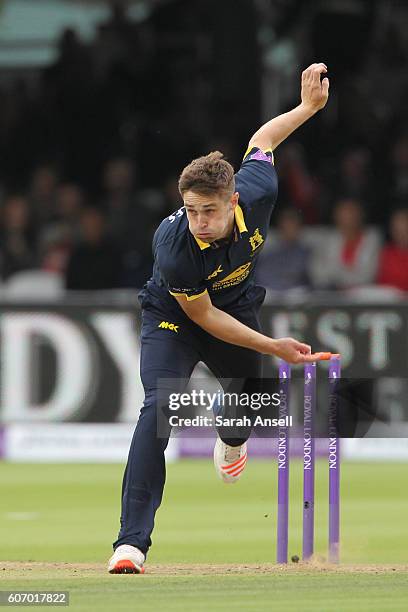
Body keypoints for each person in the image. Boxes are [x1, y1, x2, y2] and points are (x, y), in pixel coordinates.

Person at [108, 62, 331, 574]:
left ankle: (230, 438)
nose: (200, 222)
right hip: (177, 315)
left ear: (233, 200)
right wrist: (273, 345)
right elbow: (203, 318)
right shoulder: (175, 246)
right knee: (158, 409)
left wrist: (306, 108)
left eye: (208, 211)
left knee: (250, 399)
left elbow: (263, 140)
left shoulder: (256, 190)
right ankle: (130, 543)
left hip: (237, 303)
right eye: (190, 210)